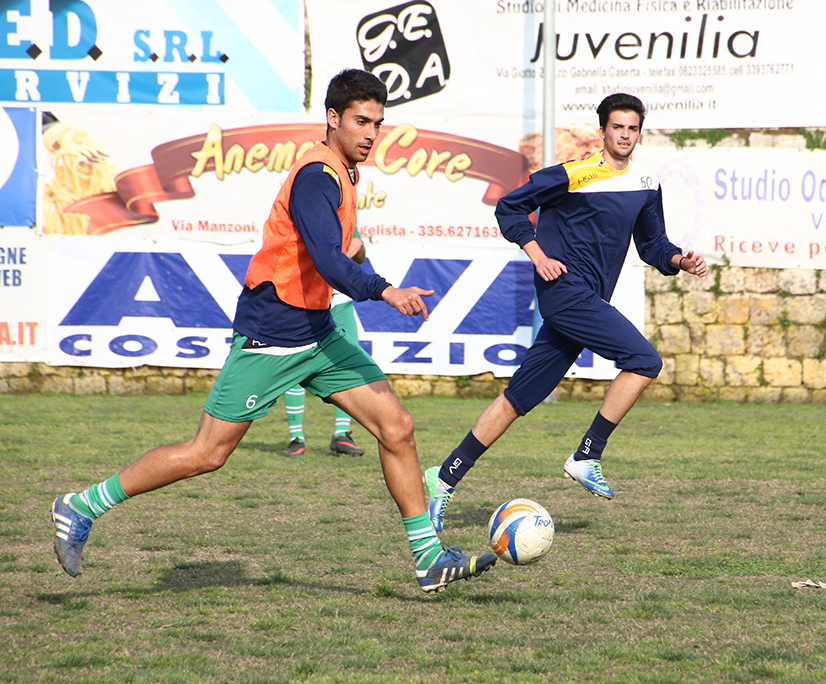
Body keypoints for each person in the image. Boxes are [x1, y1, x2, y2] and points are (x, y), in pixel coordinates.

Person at [50, 69, 497, 594]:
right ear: (332, 119)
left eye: (378, 123)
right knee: (207, 454)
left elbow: (343, 248)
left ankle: (428, 560)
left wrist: (362, 261)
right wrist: (384, 289)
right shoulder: (316, 176)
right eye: (361, 121)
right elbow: (331, 261)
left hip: (319, 333)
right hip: (273, 331)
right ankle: (80, 506)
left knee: (396, 426)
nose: (371, 133)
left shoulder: (347, 173)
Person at [425, 93, 708, 532]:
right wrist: (537, 255)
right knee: (645, 360)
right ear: (603, 131)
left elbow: (653, 244)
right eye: (618, 127)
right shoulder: (572, 174)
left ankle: (442, 478)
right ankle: (587, 454)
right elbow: (510, 206)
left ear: (639, 131)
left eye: (633, 128)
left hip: (588, 301)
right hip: (565, 294)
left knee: (518, 399)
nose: (625, 135)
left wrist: (678, 261)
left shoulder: (646, 184)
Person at [284, 229, 367, 458]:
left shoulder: (344, 209)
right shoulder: (301, 207)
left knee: (350, 367)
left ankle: (341, 434)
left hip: (339, 301)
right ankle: (296, 437)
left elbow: (359, 256)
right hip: (304, 301)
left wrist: (358, 246)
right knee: (295, 365)